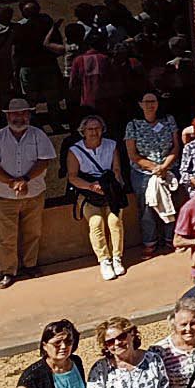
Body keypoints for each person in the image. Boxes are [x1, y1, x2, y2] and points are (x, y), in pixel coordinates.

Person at [0, 98, 57, 288]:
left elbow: (44, 162)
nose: (19, 117)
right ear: (7, 116)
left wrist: (26, 179)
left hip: (34, 193)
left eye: (23, 113)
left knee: (33, 232)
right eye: (15, 113)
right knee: (7, 237)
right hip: (5, 196)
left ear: (29, 115)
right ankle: (8, 271)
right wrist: (12, 182)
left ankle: (30, 265)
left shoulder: (38, 135)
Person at [64, 114, 128, 281]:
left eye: (97, 128)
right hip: (88, 192)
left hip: (110, 190)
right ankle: (104, 260)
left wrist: (110, 186)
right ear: (83, 131)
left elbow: (116, 169)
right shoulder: (74, 150)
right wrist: (91, 186)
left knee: (115, 221)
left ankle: (117, 257)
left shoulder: (111, 145)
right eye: (90, 129)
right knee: (96, 223)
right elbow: (72, 177)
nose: (94, 132)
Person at [124, 90, 181, 257]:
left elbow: (176, 146)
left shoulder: (168, 120)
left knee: (171, 204)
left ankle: (171, 238)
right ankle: (150, 242)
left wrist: (164, 167)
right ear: (140, 104)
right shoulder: (133, 125)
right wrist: (155, 168)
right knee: (147, 208)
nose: (150, 105)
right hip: (143, 173)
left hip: (168, 169)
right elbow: (132, 154)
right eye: (146, 101)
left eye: (153, 101)